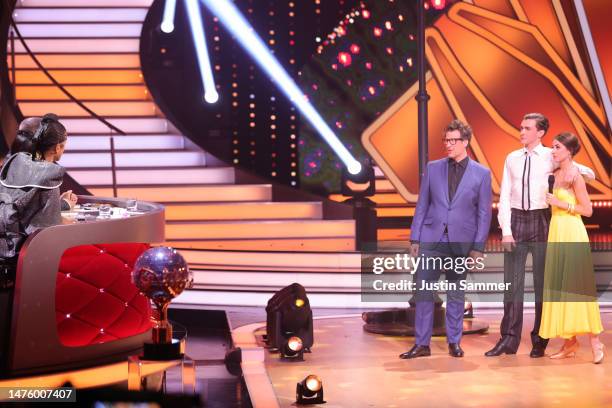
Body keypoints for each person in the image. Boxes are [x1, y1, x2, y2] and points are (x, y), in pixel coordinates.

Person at [486, 113, 595, 358]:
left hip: (542, 220)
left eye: (527, 128)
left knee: (542, 285)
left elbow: (590, 174)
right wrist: (506, 230)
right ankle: (508, 339)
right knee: (511, 284)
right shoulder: (511, 158)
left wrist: (575, 172)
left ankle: (540, 339)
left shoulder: (552, 155)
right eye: (521, 127)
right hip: (516, 219)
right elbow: (504, 195)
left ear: (540, 132)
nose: (521, 132)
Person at [400, 119, 492, 359]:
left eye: (453, 141)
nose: (448, 145)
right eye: (446, 141)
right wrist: (415, 238)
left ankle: (454, 342)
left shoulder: (482, 174)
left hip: (461, 242)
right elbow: (422, 205)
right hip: (432, 239)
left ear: (466, 142)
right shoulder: (433, 168)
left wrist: (478, 248)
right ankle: (422, 344)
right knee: (423, 292)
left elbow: (484, 213)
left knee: (456, 293)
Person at [539, 132, 604, 364]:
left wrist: (561, 203)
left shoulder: (576, 175)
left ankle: (595, 342)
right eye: (553, 147)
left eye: (557, 147)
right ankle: (570, 343)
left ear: (568, 150)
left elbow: (587, 210)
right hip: (556, 232)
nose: (553, 151)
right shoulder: (554, 174)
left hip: (572, 231)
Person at [0, 113, 71, 261]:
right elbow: (47, 230)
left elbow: (21, 205)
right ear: (57, 147)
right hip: (23, 254)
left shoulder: (13, 163)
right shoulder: (49, 175)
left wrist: (62, 204)